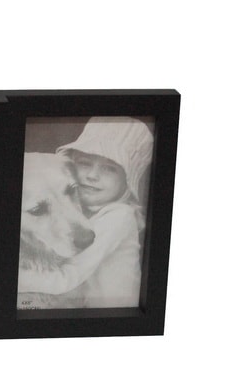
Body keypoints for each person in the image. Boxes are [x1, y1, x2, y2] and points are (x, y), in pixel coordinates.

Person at [17, 116, 154, 308]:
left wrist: (11, 278)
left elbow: (65, 279)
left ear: (127, 181)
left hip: (113, 316)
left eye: (109, 168)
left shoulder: (120, 217)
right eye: (85, 163)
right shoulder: (84, 207)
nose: (92, 175)